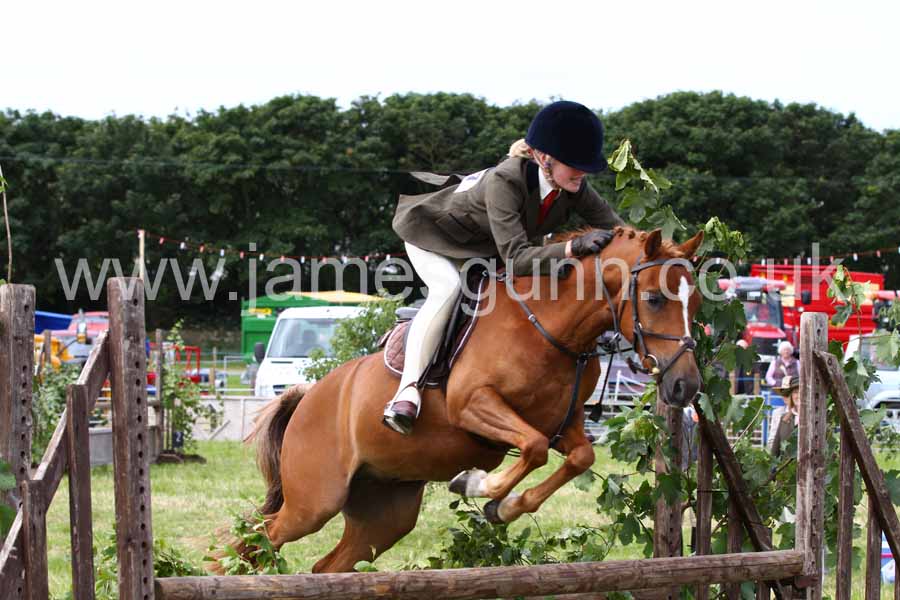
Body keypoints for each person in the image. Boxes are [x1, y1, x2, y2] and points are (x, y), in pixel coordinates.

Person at [382, 101, 624, 435]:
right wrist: (571, 247)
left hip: (488, 249)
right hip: (434, 239)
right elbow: (517, 259)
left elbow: (621, 232)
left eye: (586, 165)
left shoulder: (573, 186)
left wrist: (665, 259)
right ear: (543, 158)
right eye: (574, 164)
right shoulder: (504, 181)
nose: (582, 173)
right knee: (449, 289)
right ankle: (406, 393)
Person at [768, 376, 800, 457]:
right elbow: (775, 450)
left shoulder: (815, 419)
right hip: (785, 467)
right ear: (791, 395)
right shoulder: (784, 418)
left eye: (802, 392)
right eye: (795, 392)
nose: (799, 396)